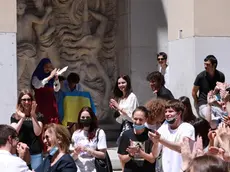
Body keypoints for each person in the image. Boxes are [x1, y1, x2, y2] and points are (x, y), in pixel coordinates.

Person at [149, 99, 195, 172]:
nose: (167, 114)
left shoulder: (187, 127)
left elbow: (181, 148)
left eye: (170, 111)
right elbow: (155, 155)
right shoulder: (163, 129)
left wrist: (160, 139)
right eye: (165, 112)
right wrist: (155, 143)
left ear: (179, 113)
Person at [10, 90, 43, 169]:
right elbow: (14, 132)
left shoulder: (38, 115)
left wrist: (33, 115)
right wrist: (22, 118)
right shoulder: (15, 116)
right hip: (20, 153)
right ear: (20, 101)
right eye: (24, 100)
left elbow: (38, 132)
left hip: (35, 153)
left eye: (29, 99)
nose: (27, 102)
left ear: (32, 101)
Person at [117, 106, 156, 172]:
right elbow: (122, 159)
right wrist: (130, 155)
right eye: (135, 119)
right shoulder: (126, 134)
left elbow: (152, 159)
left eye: (141, 119)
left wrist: (140, 152)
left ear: (146, 119)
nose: (137, 122)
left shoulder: (151, 135)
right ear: (132, 118)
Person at [71, 107, 107, 172]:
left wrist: (87, 150)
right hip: (79, 168)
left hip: (94, 168)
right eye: (83, 117)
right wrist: (76, 153)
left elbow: (103, 155)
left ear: (92, 118)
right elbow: (72, 158)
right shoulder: (76, 134)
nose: (85, 119)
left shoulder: (99, 132)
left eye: (87, 117)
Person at [109, 75, 139, 142]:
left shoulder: (132, 97)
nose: (121, 85)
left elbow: (131, 115)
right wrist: (116, 109)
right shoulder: (121, 98)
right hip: (124, 127)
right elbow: (121, 118)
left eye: (123, 82)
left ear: (128, 83)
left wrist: (118, 106)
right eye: (119, 83)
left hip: (132, 127)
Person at [31, 58, 60, 124]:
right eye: (46, 66)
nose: (48, 68)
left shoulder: (51, 78)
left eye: (50, 67)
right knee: (41, 120)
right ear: (42, 67)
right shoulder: (36, 76)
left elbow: (56, 89)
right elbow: (37, 85)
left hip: (51, 104)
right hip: (41, 102)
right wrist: (50, 76)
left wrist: (56, 78)